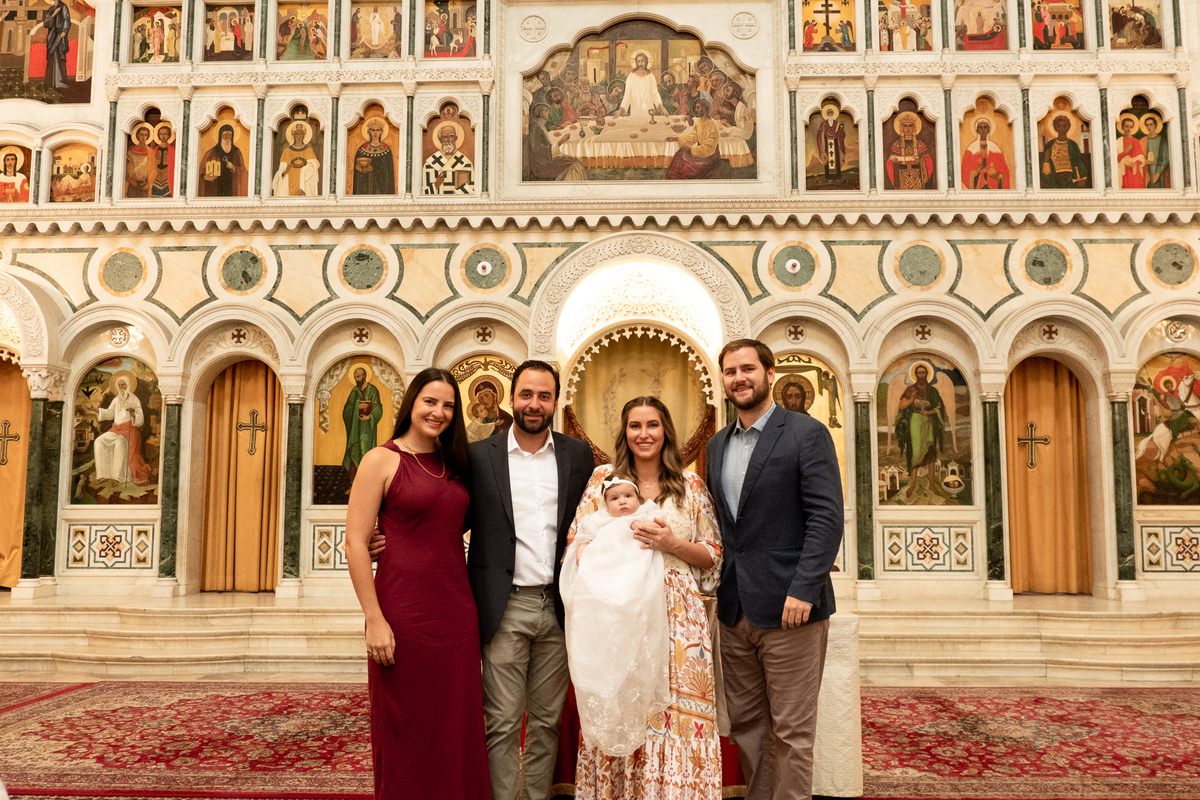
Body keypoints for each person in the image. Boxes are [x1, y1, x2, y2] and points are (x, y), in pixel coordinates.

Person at [707, 338, 844, 800]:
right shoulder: (716, 445)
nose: (739, 378)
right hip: (735, 609)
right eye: (730, 371)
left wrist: (803, 589)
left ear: (769, 373)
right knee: (747, 726)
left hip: (792, 609)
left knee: (791, 731)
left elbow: (826, 517)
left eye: (748, 368)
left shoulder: (805, 433)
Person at [345, 367, 491, 799]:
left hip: (457, 612)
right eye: (430, 401)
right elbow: (355, 544)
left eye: (448, 405)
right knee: (405, 724)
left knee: (456, 724)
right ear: (411, 402)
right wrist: (374, 619)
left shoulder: (458, 463)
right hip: (402, 611)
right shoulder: (381, 460)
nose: (439, 412)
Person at [569, 395, 723, 799]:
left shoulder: (690, 485)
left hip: (677, 614)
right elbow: (577, 539)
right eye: (635, 426)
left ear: (665, 431)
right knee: (623, 702)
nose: (644, 434)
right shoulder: (604, 480)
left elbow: (713, 554)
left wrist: (671, 542)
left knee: (675, 711)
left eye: (652, 425)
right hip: (618, 612)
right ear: (624, 433)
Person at [464, 361, 594, 800]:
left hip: (559, 606)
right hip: (505, 604)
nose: (534, 404)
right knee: (501, 720)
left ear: (556, 401)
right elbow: (449, 517)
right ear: (510, 398)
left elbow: (593, 521)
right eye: (526, 394)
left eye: (544, 396)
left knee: (545, 721)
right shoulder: (480, 456)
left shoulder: (578, 456)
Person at [560, 475, 671, 758]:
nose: (622, 502)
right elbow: (582, 537)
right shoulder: (598, 520)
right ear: (605, 503)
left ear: (638, 499)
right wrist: (583, 546)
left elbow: (659, 526)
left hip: (637, 582)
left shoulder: (645, 513)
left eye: (628, 496)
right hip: (608, 587)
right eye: (615, 498)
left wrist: (642, 523)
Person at [94, 374, 153, 485]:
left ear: (128, 385)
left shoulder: (134, 399)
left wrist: (133, 414)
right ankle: (103, 475)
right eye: (119, 385)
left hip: (130, 430)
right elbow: (110, 413)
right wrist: (98, 412)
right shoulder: (116, 400)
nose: (121, 387)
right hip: (116, 429)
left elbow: (141, 418)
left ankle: (118, 477)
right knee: (99, 441)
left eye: (123, 385)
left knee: (120, 443)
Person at [523, 103, 587, 181]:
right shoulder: (537, 130)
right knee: (575, 165)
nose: (548, 113)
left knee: (575, 160)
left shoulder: (540, 127)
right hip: (542, 166)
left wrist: (563, 156)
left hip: (547, 160)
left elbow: (547, 150)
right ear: (540, 113)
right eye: (546, 111)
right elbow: (541, 151)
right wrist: (561, 141)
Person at [343, 366, 383, 484]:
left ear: (364, 376)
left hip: (367, 429)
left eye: (358, 376)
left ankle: (367, 483)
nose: (356, 379)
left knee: (366, 451)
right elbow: (347, 409)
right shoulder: (354, 391)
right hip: (355, 429)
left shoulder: (373, 390)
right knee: (354, 451)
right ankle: (354, 483)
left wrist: (369, 417)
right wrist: (357, 407)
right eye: (355, 377)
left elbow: (378, 408)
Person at [666, 96, 722, 179]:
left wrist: (691, 150)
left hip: (708, 157)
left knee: (684, 164)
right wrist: (676, 138)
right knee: (680, 154)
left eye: (698, 108)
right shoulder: (700, 122)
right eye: (696, 107)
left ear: (704, 109)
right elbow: (693, 136)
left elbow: (710, 148)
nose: (696, 110)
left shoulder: (712, 125)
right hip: (700, 151)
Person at [422, 123, 474, 195]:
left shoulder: (465, 163)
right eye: (445, 137)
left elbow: (472, 190)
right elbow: (422, 193)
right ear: (440, 139)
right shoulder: (430, 164)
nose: (448, 140)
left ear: (456, 138)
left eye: (451, 136)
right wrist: (435, 185)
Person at [887, 111, 933, 190]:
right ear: (902, 128)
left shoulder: (919, 144)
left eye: (910, 126)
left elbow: (928, 161)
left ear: (914, 127)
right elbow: (890, 161)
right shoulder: (897, 144)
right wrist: (904, 160)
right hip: (901, 176)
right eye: (905, 126)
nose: (908, 129)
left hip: (917, 176)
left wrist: (918, 160)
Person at [1040, 113, 1090, 188]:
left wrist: (1082, 179)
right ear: (1055, 127)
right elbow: (1044, 164)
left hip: (1071, 178)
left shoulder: (1073, 145)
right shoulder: (1050, 145)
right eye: (1059, 125)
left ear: (1068, 127)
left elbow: (1079, 162)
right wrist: (1046, 161)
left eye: (1064, 125)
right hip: (1055, 178)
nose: (1062, 128)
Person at [273, 120, 321, 196]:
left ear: (304, 135)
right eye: (296, 134)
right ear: (293, 135)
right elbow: (281, 170)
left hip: (304, 183)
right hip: (289, 182)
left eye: (301, 133)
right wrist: (286, 171)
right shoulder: (287, 151)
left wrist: (305, 168)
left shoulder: (308, 151)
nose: (299, 136)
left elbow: (314, 166)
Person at [961, 116, 1010, 190]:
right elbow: (963, 172)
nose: (983, 130)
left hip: (993, 189)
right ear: (976, 130)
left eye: (985, 127)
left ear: (989, 130)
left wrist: (997, 175)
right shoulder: (971, 149)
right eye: (980, 127)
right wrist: (976, 171)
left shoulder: (996, 149)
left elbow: (1004, 171)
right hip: (977, 189)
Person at [199, 124, 247, 197]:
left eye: (229, 135)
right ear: (220, 136)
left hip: (233, 189)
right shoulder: (211, 153)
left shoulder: (236, 152)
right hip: (215, 189)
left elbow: (244, 173)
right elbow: (200, 172)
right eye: (225, 135)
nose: (227, 138)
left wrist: (234, 168)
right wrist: (206, 177)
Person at [353, 117, 395, 195]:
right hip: (367, 187)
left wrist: (374, 169)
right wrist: (361, 169)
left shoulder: (386, 150)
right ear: (369, 132)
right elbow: (357, 170)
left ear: (381, 132)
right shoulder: (362, 149)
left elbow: (388, 173)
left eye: (378, 130)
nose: (375, 132)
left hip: (382, 189)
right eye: (373, 130)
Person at [617, 52, 662, 118]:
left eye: (642, 61)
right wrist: (622, 108)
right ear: (636, 63)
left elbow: (655, 93)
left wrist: (660, 106)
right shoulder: (631, 76)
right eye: (638, 61)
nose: (640, 64)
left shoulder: (650, 76)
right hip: (636, 108)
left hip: (648, 108)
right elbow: (627, 95)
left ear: (646, 62)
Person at [1117, 115, 1146, 189]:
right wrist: (1126, 151)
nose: (1128, 129)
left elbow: (1141, 157)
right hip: (1124, 172)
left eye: (1131, 127)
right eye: (1126, 126)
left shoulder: (1136, 141)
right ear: (1122, 127)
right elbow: (1116, 158)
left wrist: (1135, 163)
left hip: (1135, 172)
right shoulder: (1118, 142)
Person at [125, 124, 153, 199]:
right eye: (141, 134)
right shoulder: (131, 152)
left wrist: (150, 183)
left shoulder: (150, 152)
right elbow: (122, 167)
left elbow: (154, 170)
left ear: (148, 136)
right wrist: (129, 180)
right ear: (137, 136)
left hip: (145, 184)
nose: (143, 137)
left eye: (145, 135)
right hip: (134, 183)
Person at [1143, 113, 1169, 188]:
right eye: (1147, 125)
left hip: (1158, 172)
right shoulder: (1144, 140)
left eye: (1151, 124)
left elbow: (1165, 159)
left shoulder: (1162, 140)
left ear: (1155, 125)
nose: (1149, 127)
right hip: (1147, 172)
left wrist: (1158, 173)